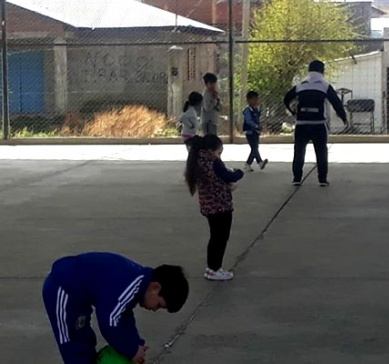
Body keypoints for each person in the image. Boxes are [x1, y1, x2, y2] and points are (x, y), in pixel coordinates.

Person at [42, 253, 189, 364]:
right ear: (155, 287)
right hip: (62, 288)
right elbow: (109, 321)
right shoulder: (130, 285)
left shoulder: (138, 284)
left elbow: (124, 317)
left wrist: (136, 343)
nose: (155, 309)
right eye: (159, 305)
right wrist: (131, 350)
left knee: (84, 338)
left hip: (79, 295)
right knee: (72, 342)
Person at [185, 135, 244, 281]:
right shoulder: (213, 162)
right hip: (220, 206)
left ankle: (212, 268)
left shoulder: (198, 160)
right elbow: (227, 177)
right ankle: (214, 268)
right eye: (219, 152)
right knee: (221, 238)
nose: (219, 156)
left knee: (215, 237)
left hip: (208, 206)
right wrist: (239, 173)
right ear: (211, 151)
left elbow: (214, 179)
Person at [283, 60, 347, 187]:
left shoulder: (301, 84)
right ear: (322, 71)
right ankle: (322, 179)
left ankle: (297, 178)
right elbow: (336, 102)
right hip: (318, 124)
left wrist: (292, 111)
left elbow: (286, 98)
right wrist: (343, 117)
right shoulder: (324, 85)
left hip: (301, 124)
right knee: (321, 151)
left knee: (299, 151)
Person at [242, 90, 268, 172]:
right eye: (254, 99)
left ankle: (253, 163)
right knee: (254, 148)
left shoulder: (256, 110)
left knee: (255, 148)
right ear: (248, 100)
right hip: (250, 131)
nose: (256, 101)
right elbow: (248, 121)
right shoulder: (247, 110)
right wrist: (256, 126)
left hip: (256, 131)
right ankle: (255, 163)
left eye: (257, 99)